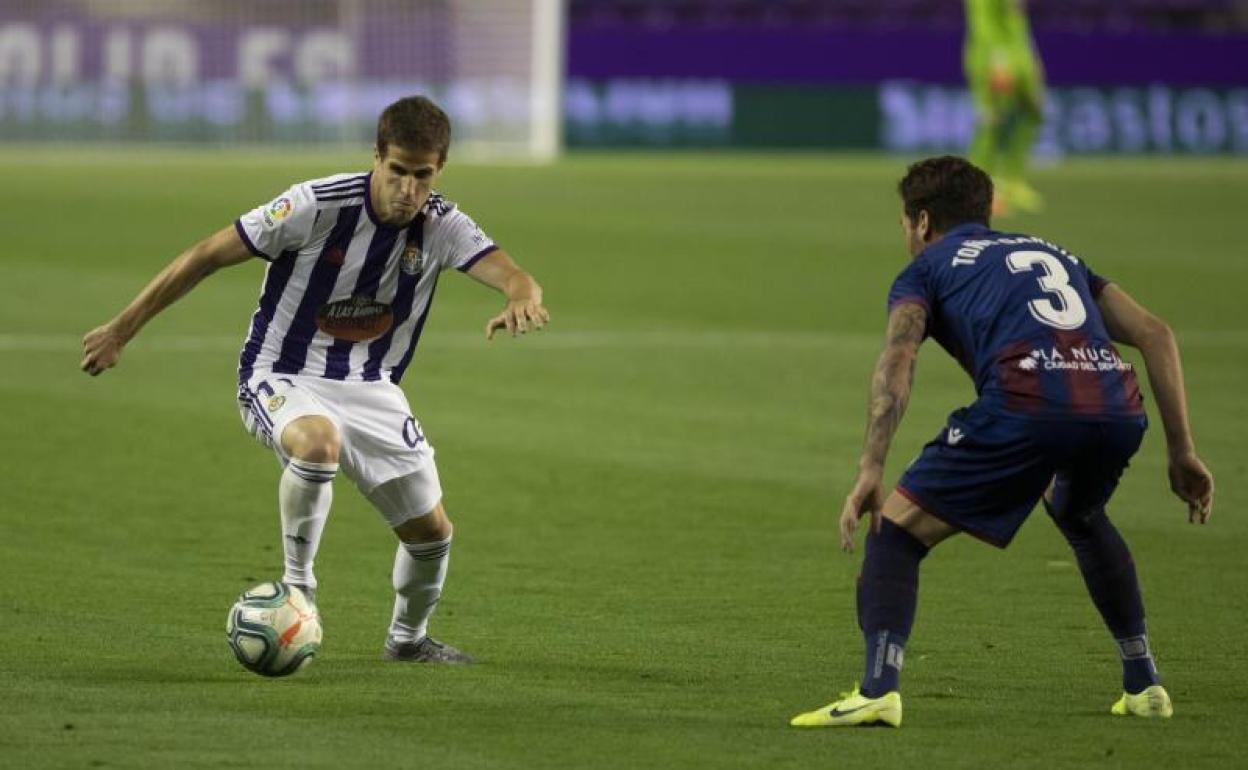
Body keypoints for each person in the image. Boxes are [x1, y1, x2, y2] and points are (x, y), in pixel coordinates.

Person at [81, 95, 550, 664]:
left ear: (439, 170)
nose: (408, 188)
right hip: (280, 373)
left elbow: (512, 274)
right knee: (318, 443)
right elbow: (206, 254)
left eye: (422, 175)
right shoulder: (313, 205)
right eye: (397, 170)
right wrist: (121, 330)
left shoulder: (442, 225)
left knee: (431, 533)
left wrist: (523, 295)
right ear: (377, 156)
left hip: (371, 385)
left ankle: (408, 641)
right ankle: (297, 589)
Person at [790, 156, 1213, 727]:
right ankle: (1144, 683)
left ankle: (877, 690)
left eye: (902, 225)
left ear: (920, 222)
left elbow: (898, 358)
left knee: (894, 533)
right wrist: (1182, 449)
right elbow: (1155, 334)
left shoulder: (927, 268)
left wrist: (871, 464)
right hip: (1116, 406)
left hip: (1027, 404)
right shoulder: (1057, 254)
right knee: (1078, 510)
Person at [964, 0, 1046, 215]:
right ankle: (975, 189)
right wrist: (998, 61)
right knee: (991, 121)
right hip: (992, 57)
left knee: (1033, 112)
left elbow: (1018, 22)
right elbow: (982, 23)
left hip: (1021, 56)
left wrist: (1033, 58)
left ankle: (1013, 180)